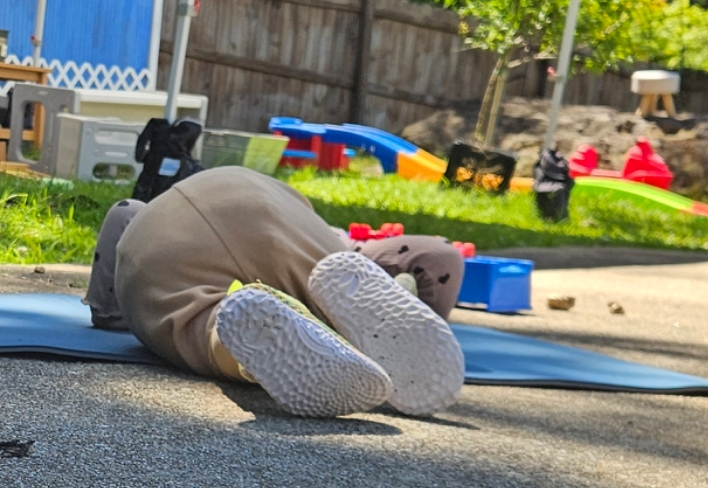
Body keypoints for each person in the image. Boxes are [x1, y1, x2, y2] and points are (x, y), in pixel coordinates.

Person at [82, 166, 467, 417]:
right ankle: (382, 307)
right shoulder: (339, 242)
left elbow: (122, 217)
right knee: (327, 279)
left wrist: (108, 310)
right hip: (267, 204)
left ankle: (236, 342)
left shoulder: (145, 211)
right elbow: (440, 260)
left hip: (160, 233)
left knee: (200, 324)